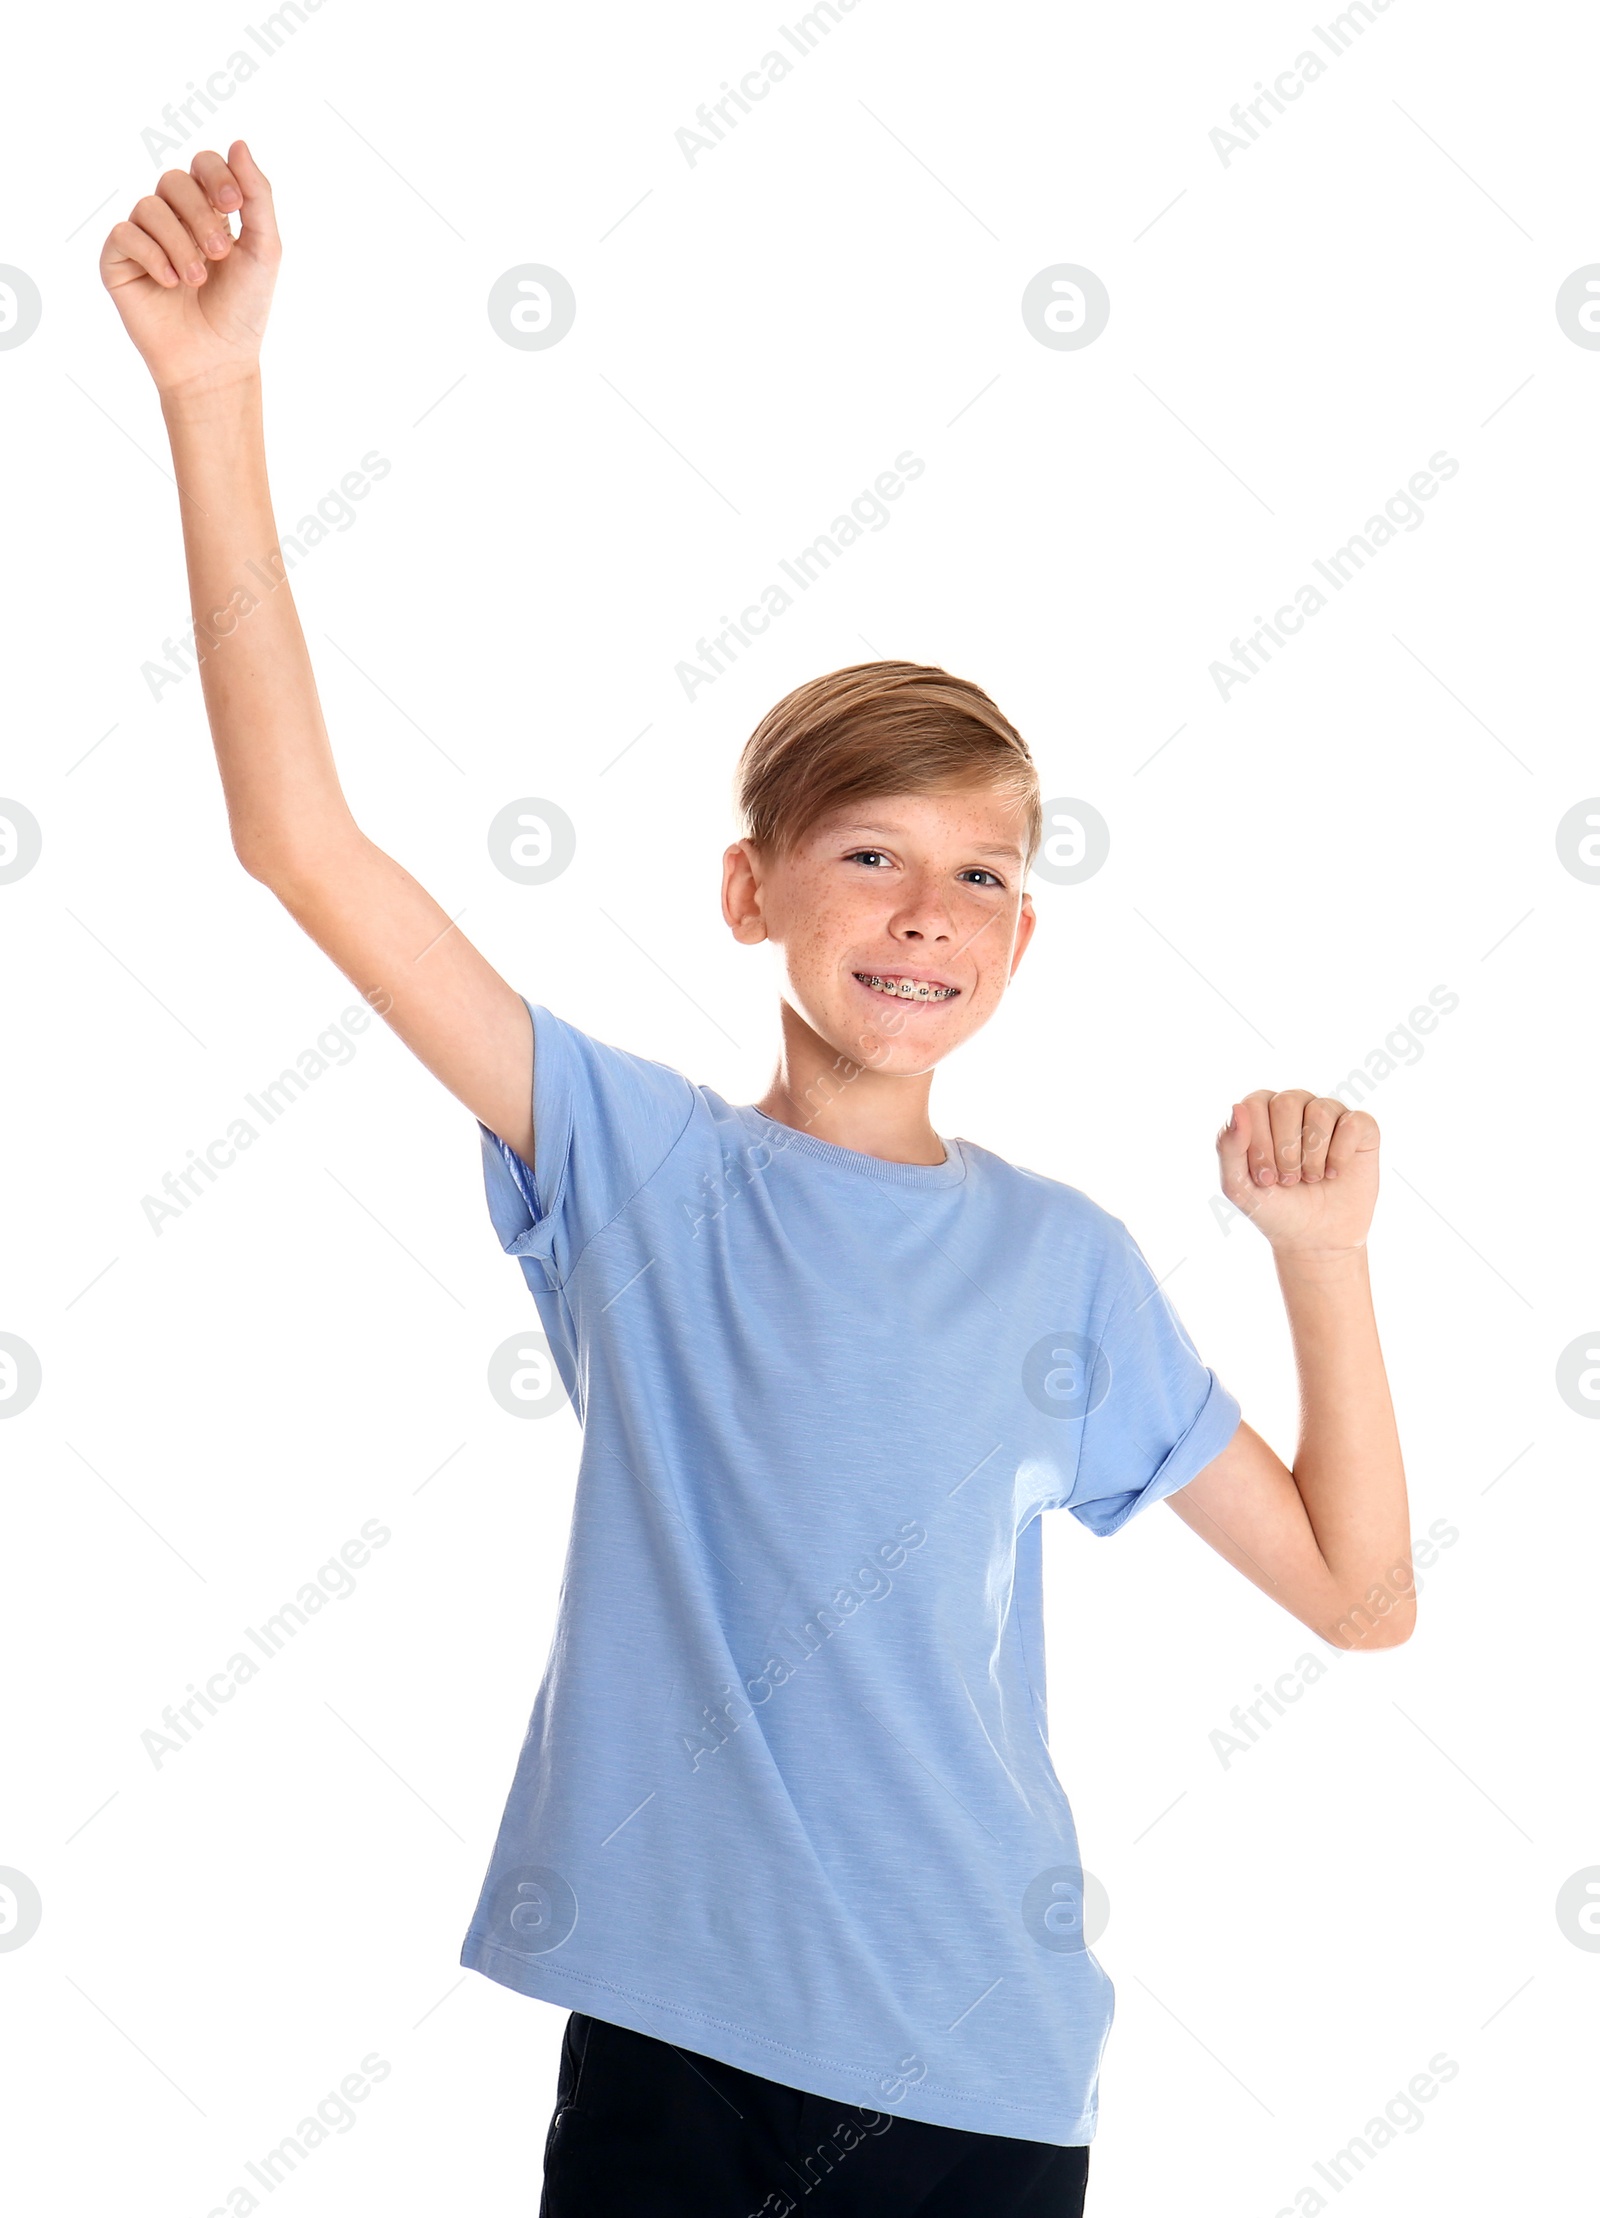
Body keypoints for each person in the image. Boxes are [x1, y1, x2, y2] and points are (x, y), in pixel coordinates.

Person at [100, 143, 1414, 2218]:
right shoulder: (628, 1158)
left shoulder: (1058, 1261)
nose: (926, 909)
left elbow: (1357, 1593)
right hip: (675, 2052)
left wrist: (1319, 1260)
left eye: (981, 872)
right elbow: (305, 848)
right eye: (870, 852)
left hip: (975, 2076)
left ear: (1020, 937)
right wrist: (209, 392)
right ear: (751, 890)